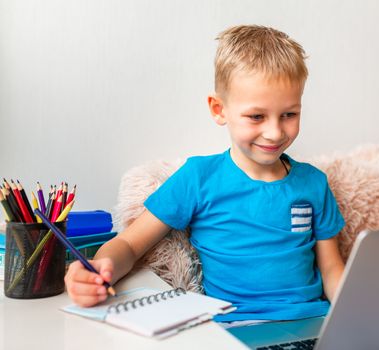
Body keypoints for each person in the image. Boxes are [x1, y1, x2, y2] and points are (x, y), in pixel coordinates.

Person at [65, 24, 346, 324]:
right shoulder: (198, 178)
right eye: (256, 116)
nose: (275, 131)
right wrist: (99, 268)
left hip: (315, 323)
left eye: (289, 114)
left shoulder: (314, 183)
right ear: (218, 109)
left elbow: (331, 270)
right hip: (233, 328)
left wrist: (361, 311)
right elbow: (130, 244)